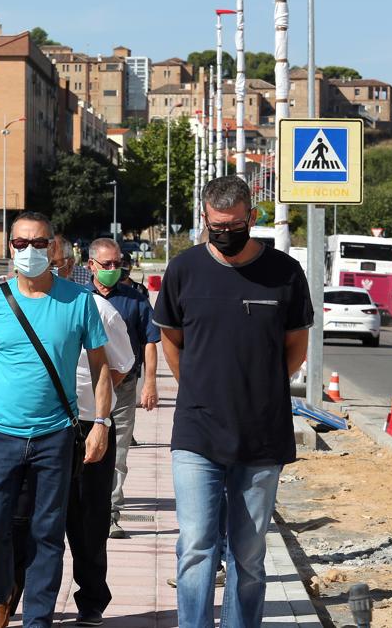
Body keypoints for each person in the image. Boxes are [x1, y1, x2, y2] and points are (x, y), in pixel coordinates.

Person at [154, 176, 312, 628]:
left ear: (253, 217)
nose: (224, 234)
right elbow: (171, 339)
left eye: (234, 224)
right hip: (198, 434)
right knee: (196, 546)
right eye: (215, 226)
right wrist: (203, 391)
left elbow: (294, 350)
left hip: (262, 435)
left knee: (249, 553)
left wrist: (255, 392)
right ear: (204, 219)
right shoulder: (184, 270)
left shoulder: (284, 273)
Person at [0, 211, 114, 628]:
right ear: (10, 249)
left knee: (47, 533)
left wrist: (101, 424)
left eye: (38, 243)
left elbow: (100, 367)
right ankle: (1, 594)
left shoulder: (78, 302)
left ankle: (37, 619)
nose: (29, 251)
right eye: (20, 244)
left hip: (55, 436)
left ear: (53, 248)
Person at [54, 236, 136, 626]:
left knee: (88, 522)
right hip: (36, 427)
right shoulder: (9, 304)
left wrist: (95, 406)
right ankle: (2, 594)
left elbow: (121, 364)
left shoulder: (98, 310)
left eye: (54, 260)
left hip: (87, 425)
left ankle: (90, 601)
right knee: (22, 518)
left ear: (72, 266)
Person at [80, 240, 161, 541]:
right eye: (107, 264)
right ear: (91, 266)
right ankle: (75, 509)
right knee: (78, 449)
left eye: (118, 264)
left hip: (123, 388)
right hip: (83, 390)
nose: (114, 269)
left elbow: (150, 341)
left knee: (118, 452)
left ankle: (111, 514)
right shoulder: (75, 299)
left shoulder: (135, 299)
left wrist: (149, 383)